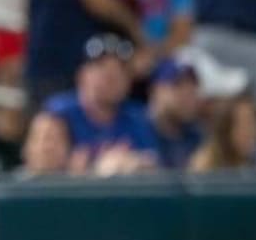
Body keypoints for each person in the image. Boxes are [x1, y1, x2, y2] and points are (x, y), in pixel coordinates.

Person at [44, 35, 161, 167]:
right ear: (81, 75)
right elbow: (43, 163)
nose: (111, 75)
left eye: (120, 68)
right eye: (101, 66)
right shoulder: (60, 113)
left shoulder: (138, 118)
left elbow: (154, 163)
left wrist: (133, 162)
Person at [147, 59, 204, 170]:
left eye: (192, 87)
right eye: (178, 86)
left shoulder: (197, 137)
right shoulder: (136, 129)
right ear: (155, 90)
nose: (188, 95)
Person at [189, 93, 256, 173]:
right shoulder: (205, 165)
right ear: (225, 129)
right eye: (243, 125)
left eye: (253, 123)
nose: (250, 131)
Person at [18, 110, 72, 176]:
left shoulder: (79, 181)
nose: (45, 147)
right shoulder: (11, 182)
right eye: (37, 138)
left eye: (53, 139)